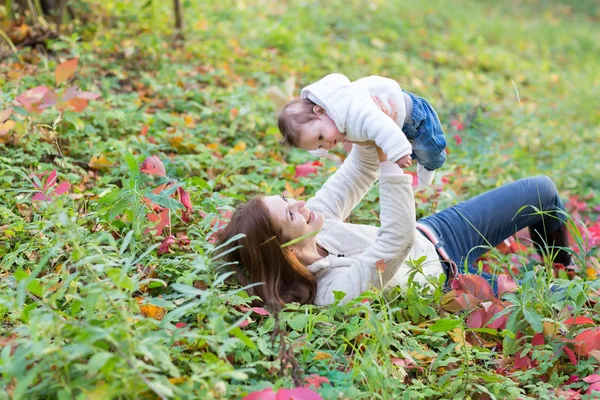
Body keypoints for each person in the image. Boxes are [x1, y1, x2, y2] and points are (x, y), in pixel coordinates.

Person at [220, 104, 571, 308]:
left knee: (542, 190)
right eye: (289, 212)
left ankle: (562, 265)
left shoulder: (314, 222)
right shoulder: (330, 291)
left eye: (286, 199)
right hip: (450, 286)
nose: (298, 202)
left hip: (438, 232)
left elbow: (356, 172)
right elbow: (394, 244)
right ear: (283, 249)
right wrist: (391, 164)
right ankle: (565, 285)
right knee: (559, 299)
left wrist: (367, 122)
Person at [277, 73, 447, 187]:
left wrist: (399, 153)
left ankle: (430, 166)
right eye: (320, 146)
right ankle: (417, 157)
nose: (327, 144)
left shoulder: (356, 113)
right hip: (399, 125)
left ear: (320, 110)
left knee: (430, 148)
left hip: (416, 115)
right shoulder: (333, 121)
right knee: (413, 149)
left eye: (321, 136)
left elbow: (384, 126)